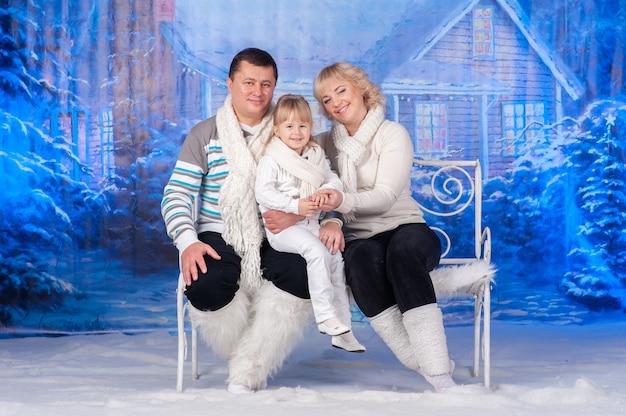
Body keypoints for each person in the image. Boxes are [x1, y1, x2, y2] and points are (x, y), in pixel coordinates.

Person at [162, 48, 339, 394]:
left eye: (266, 84)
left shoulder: (291, 129)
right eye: (248, 82)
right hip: (220, 230)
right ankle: (242, 356)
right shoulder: (205, 134)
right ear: (230, 84)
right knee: (205, 283)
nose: (257, 92)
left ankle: (250, 366)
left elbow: (319, 184)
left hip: (282, 230)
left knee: (305, 271)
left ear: (275, 87)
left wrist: (332, 220)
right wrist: (187, 241)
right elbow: (177, 194)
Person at [311, 62, 456, 392]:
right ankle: (423, 362)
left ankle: (438, 371)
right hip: (361, 238)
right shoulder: (323, 145)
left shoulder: (392, 133)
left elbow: (386, 196)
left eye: (341, 90)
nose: (335, 102)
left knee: (401, 255)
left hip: (406, 228)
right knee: (360, 261)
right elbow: (291, 148)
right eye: (325, 99)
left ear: (361, 89)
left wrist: (339, 202)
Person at [255, 94, 365, 353]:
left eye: (303, 126)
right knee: (315, 252)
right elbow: (263, 194)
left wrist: (325, 191)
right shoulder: (272, 159)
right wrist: (297, 206)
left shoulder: (315, 155)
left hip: (311, 222)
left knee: (335, 256)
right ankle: (325, 316)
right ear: (277, 130)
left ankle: (343, 328)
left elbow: (334, 179)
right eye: (289, 126)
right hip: (283, 229)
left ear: (310, 128)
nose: (297, 132)